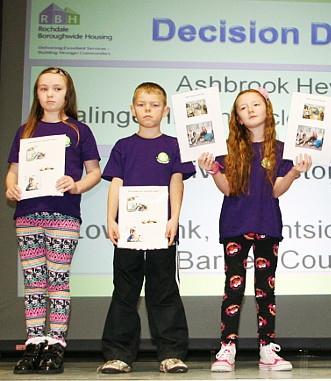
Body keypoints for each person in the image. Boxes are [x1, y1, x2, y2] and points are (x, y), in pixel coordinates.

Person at [198, 88, 311, 372]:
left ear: (267, 109)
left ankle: (267, 349)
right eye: (242, 107)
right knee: (233, 288)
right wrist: (214, 170)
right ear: (236, 117)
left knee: (265, 289)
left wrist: (295, 172)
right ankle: (227, 348)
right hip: (235, 225)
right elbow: (228, 188)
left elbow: (275, 191)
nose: (250, 110)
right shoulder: (227, 149)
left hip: (267, 224)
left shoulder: (282, 148)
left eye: (255, 104)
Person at [5, 67, 101, 374]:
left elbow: (95, 172)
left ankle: (55, 345)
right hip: (28, 214)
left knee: (57, 279)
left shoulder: (78, 131)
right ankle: (34, 343)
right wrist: (10, 185)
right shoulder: (25, 130)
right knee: (34, 282)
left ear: (67, 94)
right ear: (37, 93)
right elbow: (14, 171)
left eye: (57, 89)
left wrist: (76, 185)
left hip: (64, 215)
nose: (50, 94)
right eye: (44, 88)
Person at [97, 82, 195, 374]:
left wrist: (174, 218)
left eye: (154, 105)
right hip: (128, 232)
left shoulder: (174, 145)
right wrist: (111, 219)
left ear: (165, 110)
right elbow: (116, 183)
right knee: (124, 291)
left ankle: (171, 354)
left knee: (163, 291)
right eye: (142, 104)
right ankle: (118, 355)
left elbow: (176, 182)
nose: (147, 110)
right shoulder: (124, 146)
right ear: (132, 109)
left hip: (162, 232)